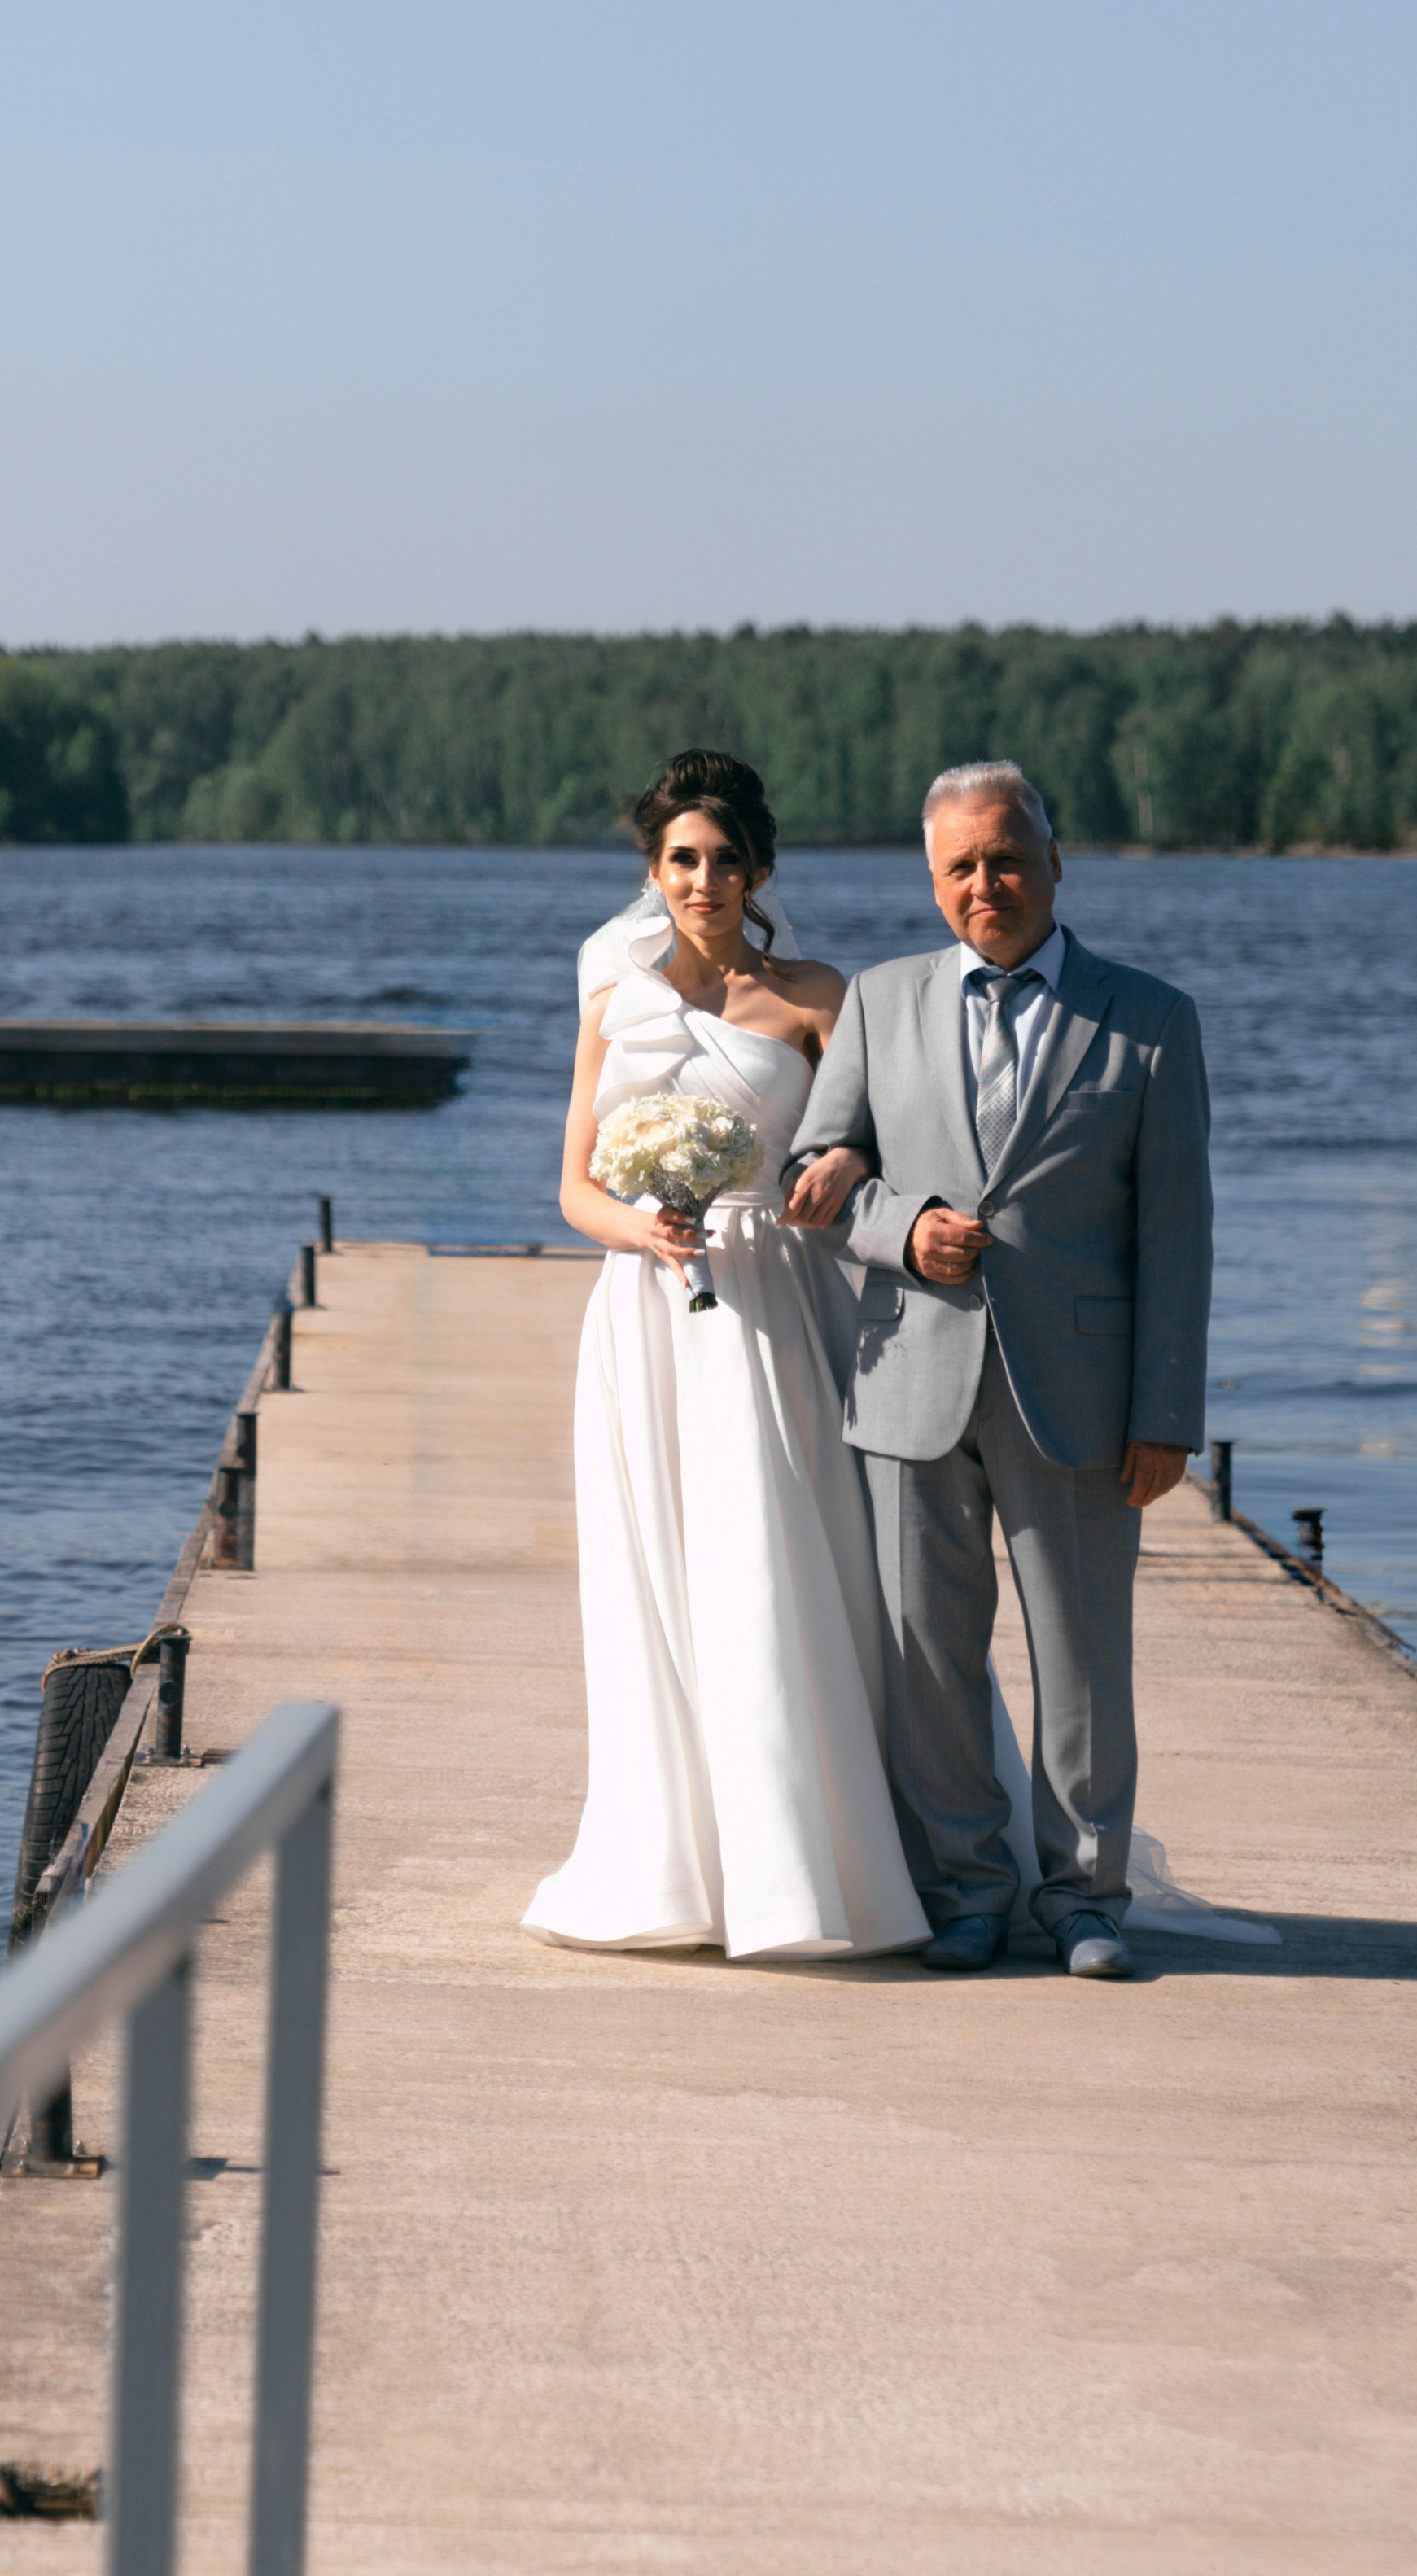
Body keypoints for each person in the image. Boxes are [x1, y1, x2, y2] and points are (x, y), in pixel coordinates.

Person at [783, 760, 1214, 1980]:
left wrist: (1167, 1410)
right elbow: (820, 1167)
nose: (989, 884)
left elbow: (1178, 1234)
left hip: (1078, 1396)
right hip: (909, 1376)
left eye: (1009, 858)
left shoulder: (1151, 1020)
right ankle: (966, 1890)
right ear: (934, 882)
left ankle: (1084, 1899)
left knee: (1083, 1656)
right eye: (963, 867)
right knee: (929, 1657)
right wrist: (902, 1225)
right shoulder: (878, 1001)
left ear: (1056, 861)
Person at [522, 749, 929, 1960]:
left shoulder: (817, 996)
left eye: (724, 861)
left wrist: (834, 1170)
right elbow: (572, 1190)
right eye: (681, 861)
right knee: (658, 1575)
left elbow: (876, 1149)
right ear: (654, 873)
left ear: (758, 871)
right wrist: (642, 1228)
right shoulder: (616, 1005)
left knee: (774, 1563)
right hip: (646, 1317)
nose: (704, 881)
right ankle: (674, 1867)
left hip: (773, 1306)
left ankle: (808, 1866)